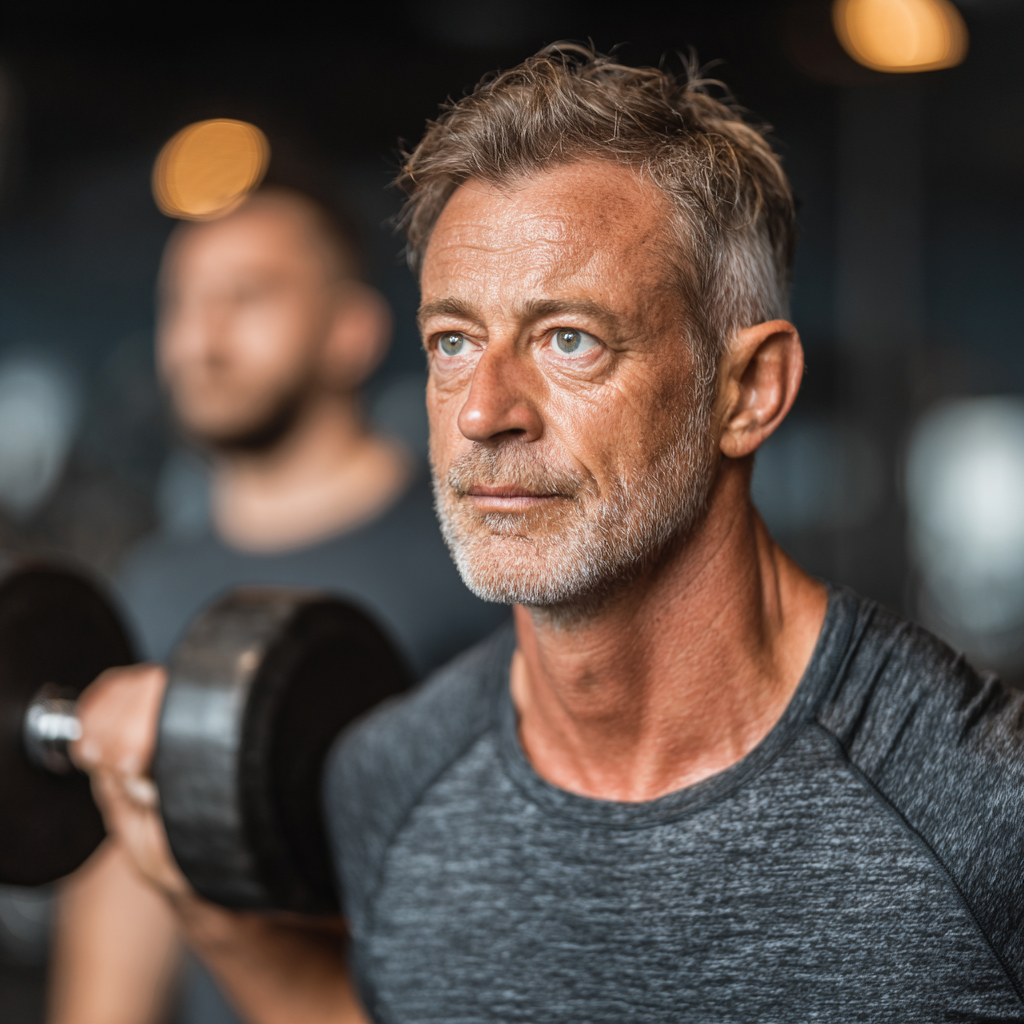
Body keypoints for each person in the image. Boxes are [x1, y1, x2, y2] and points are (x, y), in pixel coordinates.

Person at [69, 45, 1024, 1022]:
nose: (484, 412)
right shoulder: (387, 784)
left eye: (568, 338)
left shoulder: (982, 809)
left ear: (747, 390)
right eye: (454, 342)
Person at [48, 184, 507, 1024]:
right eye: (179, 304)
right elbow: (125, 880)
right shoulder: (153, 579)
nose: (201, 336)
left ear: (352, 332)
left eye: (246, 297)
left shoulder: (475, 561)